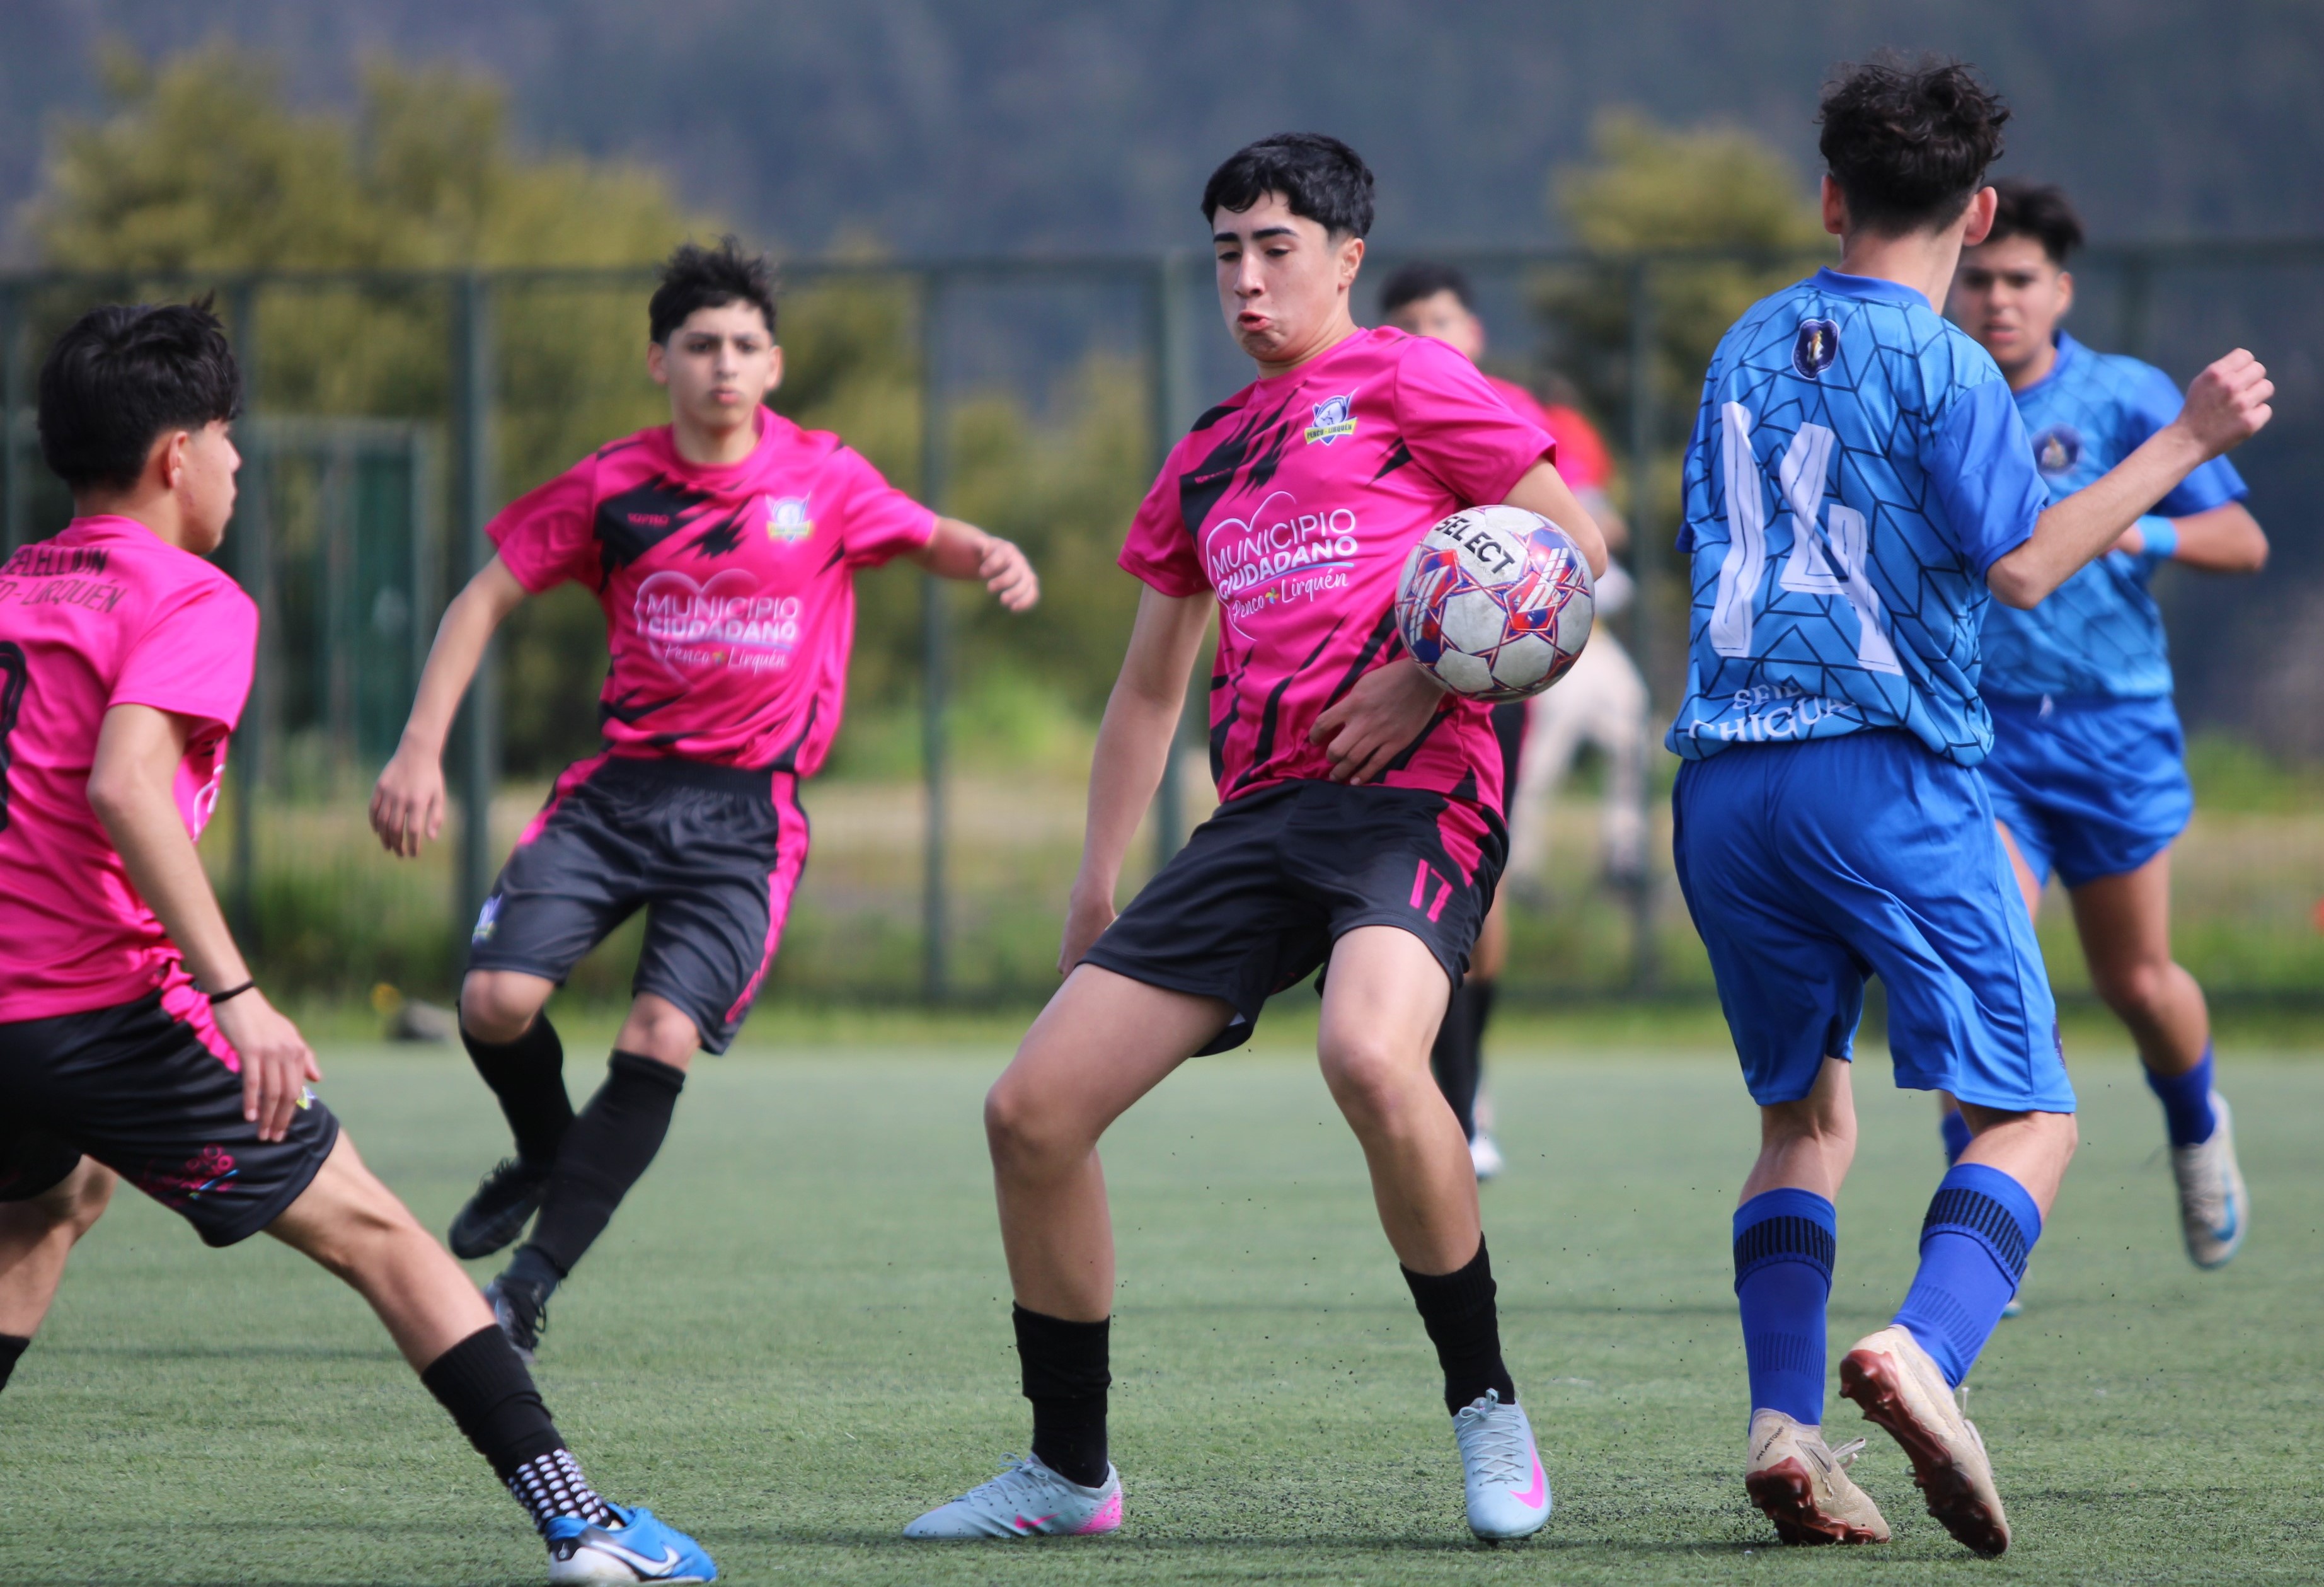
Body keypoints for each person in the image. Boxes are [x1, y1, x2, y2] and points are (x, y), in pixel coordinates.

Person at [904, 133, 1608, 1545]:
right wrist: (1094, 883)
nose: (1245, 277)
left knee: (1369, 1054)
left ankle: (1487, 1407)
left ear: (1346, 259)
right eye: (1226, 250)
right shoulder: (1207, 452)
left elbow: (1567, 549)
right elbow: (1147, 689)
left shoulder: (1410, 379)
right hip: (1258, 816)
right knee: (1029, 1113)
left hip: (1416, 795)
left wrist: (1422, 677)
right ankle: (1069, 1472)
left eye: (1274, 247)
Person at [0, 300, 715, 1583]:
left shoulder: (12, 585)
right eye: (228, 436)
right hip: (93, 1008)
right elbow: (124, 785)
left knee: (49, 1202)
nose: (237, 463)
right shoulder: (191, 596)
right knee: (383, 1235)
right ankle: (587, 1525)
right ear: (175, 455)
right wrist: (237, 994)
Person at [1665, 61, 2269, 1554]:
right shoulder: (1945, 365)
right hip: (1883, 775)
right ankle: (1923, 1349)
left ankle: (1782, 1425)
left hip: (1723, 782)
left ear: (1828, 196)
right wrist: (2185, 441)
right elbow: (2024, 564)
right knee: (2029, 1112)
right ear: (1975, 211)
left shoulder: (1741, 342)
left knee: (1801, 1118)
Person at [369, 239, 1038, 1356]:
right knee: (492, 1001)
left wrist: (993, 556)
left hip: (747, 818)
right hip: (619, 795)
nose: (723, 363)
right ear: (659, 361)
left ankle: (525, 1288)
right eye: (699, 345)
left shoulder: (825, 478)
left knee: (661, 1032)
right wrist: (417, 748)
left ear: (774, 364)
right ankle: (546, 1147)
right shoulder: (611, 485)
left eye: (743, 345)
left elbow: (927, 535)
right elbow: (483, 599)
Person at [1947, 180, 2263, 1270]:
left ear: (2062, 291)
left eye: (2019, 280)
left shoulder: (2128, 396)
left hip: (2113, 729)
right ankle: (1978, 1233)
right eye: (1978, 279)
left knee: (2137, 982)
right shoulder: (1941, 389)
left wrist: (2140, 535)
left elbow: (2243, 542)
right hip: (1983, 738)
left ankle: (2197, 1127)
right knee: (1979, 966)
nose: (1997, 299)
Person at [1378, 263, 1652, 1179]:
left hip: (1487, 690)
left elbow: (1588, 534)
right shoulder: (1372, 414)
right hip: (1382, 683)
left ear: (1475, 332)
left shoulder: (1512, 416)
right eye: (1409, 323)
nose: (1429, 336)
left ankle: (1467, 1089)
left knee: (1476, 901)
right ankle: (1444, 1098)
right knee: (1403, 894)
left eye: (1443, 319)